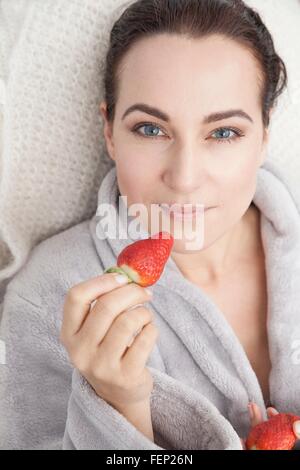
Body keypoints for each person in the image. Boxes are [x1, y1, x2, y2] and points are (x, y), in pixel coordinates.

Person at [1, 0, 299, 450]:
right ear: (109, 133)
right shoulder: (47, 294)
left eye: (223, 133)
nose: (184, 178)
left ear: (263, 136)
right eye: (150, 129)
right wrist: (119, 402)